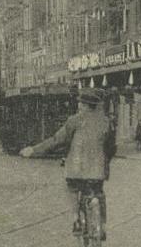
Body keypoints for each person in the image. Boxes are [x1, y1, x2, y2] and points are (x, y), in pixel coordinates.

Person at [21, 88, 114, 238]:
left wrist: (33, 150)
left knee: (71, 189)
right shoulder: (105, 122)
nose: (79, 106)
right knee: (99, 193)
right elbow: (110, 148)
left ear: (83, 105)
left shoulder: (74, 120)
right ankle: (101, 226)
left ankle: (76, 219)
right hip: (98, 171)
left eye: (80, 103)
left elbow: (57, 140)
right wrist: (105, 162)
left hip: (75, 170)